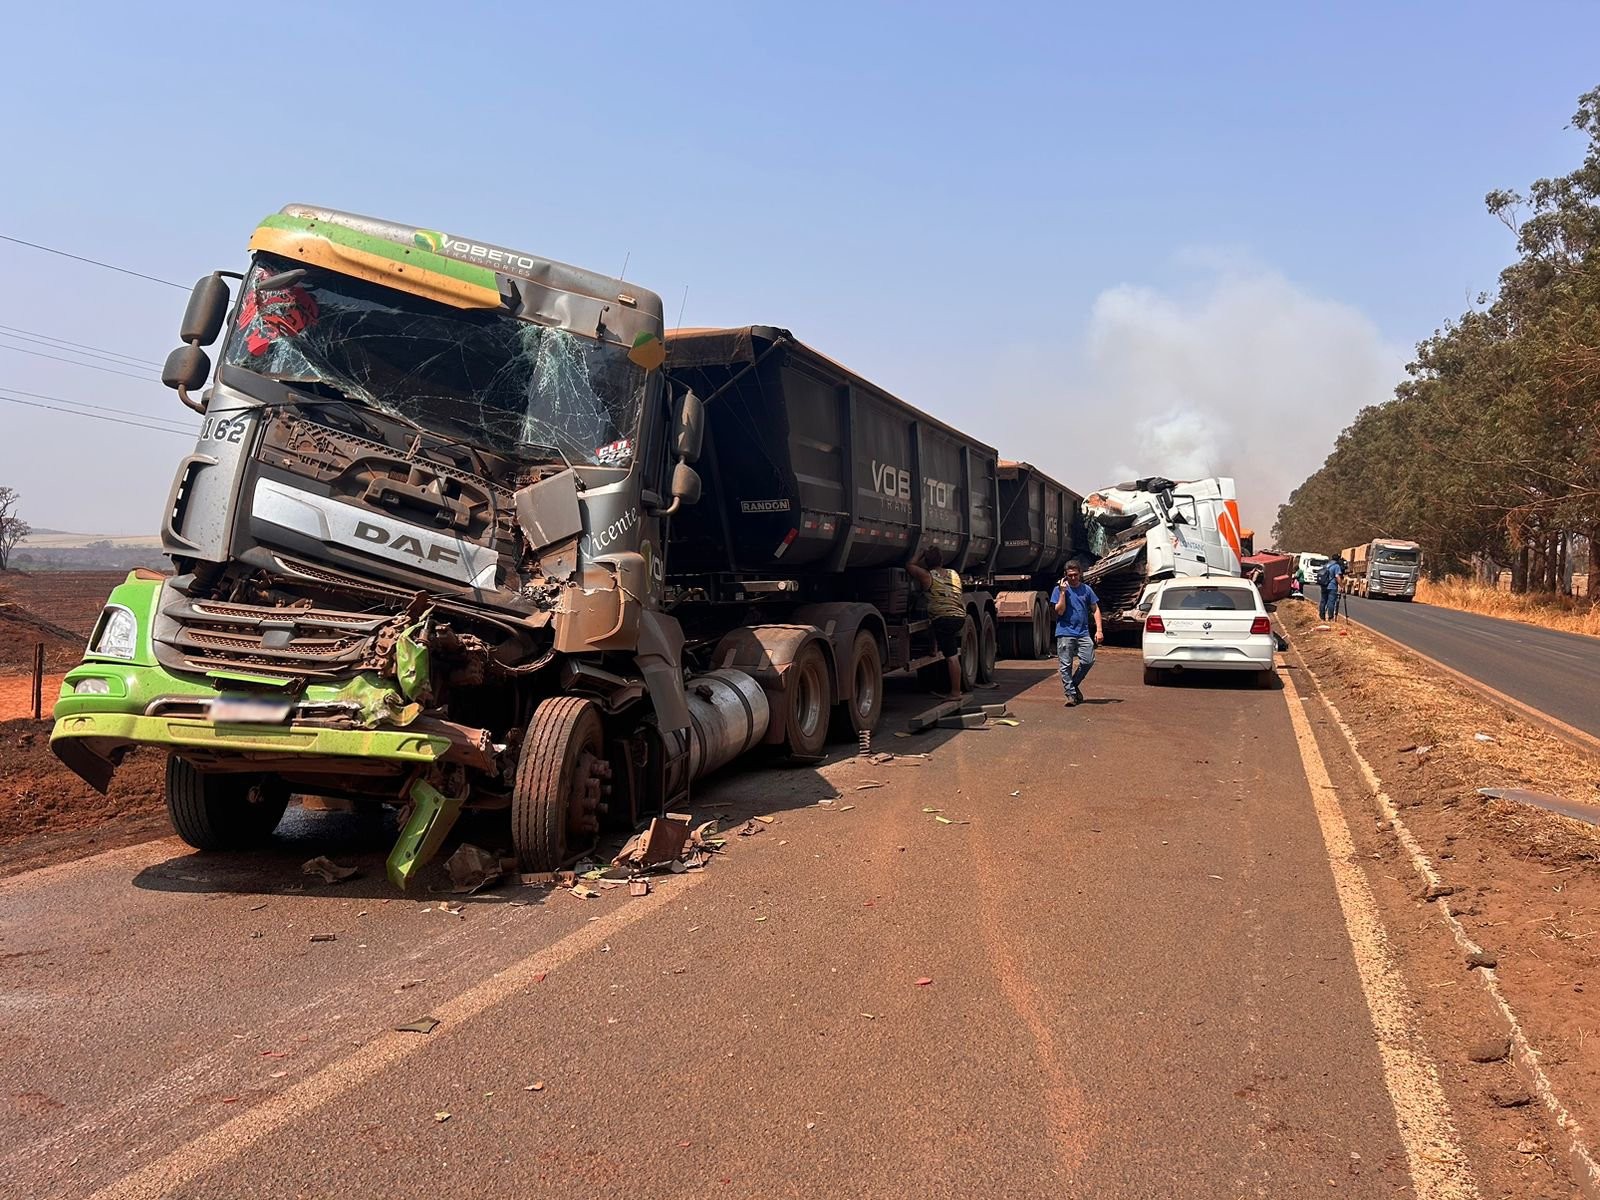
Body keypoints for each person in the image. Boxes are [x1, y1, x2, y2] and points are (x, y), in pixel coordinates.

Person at [907, 546, 966, 699]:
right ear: (941, 560)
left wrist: (919, 554)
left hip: (944, 619)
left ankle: (955, 692)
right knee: (933, 621)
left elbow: (909, 566)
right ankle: (933, 648)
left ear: (926, 562)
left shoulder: (927, 576)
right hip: (959, 616)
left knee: (951, 656)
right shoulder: (953, 573)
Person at [1052, 562, 1103, 706]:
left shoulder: (1086, 590)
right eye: (1070, 576)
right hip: (1064, 632)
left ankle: (1073, 685)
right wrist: (1062, 592)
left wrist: (1099, 630)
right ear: (1065, 576)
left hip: (1083, 632)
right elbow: (1059, 611)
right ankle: (1071, 695)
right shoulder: (1058, 590)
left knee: (1088, 661)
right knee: (1065, 665)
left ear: (1080, 573)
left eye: (1075, 575)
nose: (1073, 578)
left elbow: (1095, 609)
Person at [1318, 554, 1345, 620]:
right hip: (1332, 586)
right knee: (1331, 602)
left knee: (1323, 601)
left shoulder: (1326, 565)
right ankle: (1330, 617)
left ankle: (1322, 616)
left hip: (1324, 585)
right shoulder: (1336, 566)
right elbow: (1337, 577)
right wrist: (1342, 586)